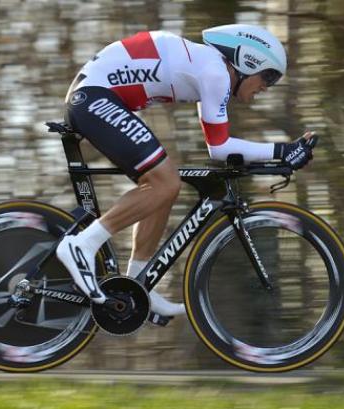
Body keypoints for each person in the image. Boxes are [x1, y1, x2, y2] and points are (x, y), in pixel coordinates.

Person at [55, 24, 315, 320]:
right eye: (267, 77)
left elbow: (218, 148)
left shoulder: (209, 69)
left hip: (96, 97)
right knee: (164, 183)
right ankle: (81, 245)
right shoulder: (215, 73)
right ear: (247, 61)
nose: (266, 87)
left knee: (163, 187)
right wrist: (281, 151)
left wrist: (277, 155)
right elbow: (219, 149)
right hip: (92, 98)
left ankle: (140, 282)